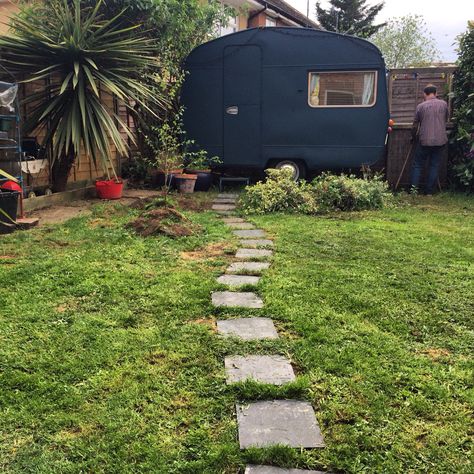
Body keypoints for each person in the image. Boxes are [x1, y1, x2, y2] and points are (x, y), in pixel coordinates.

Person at [410, 84, 449, 195]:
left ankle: (413, 191)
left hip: (424, 140)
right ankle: (429, 192)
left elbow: (415, 125)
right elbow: (446, 119)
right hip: (440, 140)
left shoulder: (420, 106)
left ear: (424, 94)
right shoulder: (444, 104)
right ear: (436, 93)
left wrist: (413, 137)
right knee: (434, 165)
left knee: (417, 165)